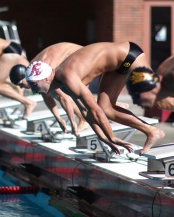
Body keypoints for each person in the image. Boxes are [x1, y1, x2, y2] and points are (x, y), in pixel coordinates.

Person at [21, 41, 165, 155]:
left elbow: (95, 111)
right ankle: (152, 132)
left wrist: (111, 137)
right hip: (117, 66)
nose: (33, 90)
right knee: (106, 108)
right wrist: (104, 138)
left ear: (46, 78)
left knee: (157, 101)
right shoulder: (62, 84)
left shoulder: (67, 77)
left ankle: (153, 129)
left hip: (129, 56)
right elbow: (86, 113)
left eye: (34, 84)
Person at [10, 42, 89, 136]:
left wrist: (72, 123)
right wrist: (58, 118)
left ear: (24, 77)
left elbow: (63, 98)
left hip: (82, 54)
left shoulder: (41, 74)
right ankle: (86, 117)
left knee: (68, 91)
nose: (21, 87)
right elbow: (46, 95)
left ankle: (84, 120)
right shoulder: (33, 71)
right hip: (74, 54)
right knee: (59, 90)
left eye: (20, 84)